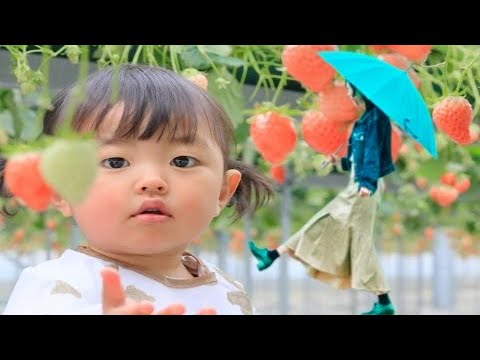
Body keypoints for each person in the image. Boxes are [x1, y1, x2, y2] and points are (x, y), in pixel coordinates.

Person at [1, 64, 273, 315]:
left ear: (223, 192)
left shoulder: (230, 291)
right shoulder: (57, 286)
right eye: (115, 162)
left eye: (182, 161)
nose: (152, 181)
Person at [248, 85, 396, 315]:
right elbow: (357, 158)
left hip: (366, 186)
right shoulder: (363, 120)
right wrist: (338, 162)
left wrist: (367, 184)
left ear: (363, 92)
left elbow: (373, 156)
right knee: (325, 223)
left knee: (360, 241)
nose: (348, 95)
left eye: (351, 91)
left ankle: (384, 302)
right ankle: (272, 255)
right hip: (357, 182)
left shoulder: (376, 119)